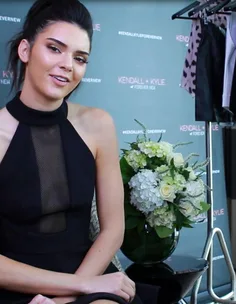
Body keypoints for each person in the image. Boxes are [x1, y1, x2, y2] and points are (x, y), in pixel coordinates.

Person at [0, 0, 158, 303]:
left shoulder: (98, 124)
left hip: (87, 271)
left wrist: (74, 291)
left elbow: (113, 230)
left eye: (80, 58)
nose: (67, 65)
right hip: (15, 284)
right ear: (25, 51)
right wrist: (76, 287)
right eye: (55, 48)